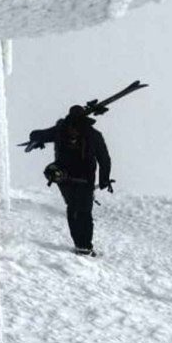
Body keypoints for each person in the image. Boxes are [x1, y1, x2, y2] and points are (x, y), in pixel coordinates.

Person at [23, 105, 113, 256]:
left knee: (73, 208)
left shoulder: (61, 129)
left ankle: (81, 244)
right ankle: (84, 246)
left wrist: (36, 139)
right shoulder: (93, 134)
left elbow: (38, 134)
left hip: (65, 177)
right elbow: (104, 159)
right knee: (83, 211)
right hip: (82, 178)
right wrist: (104, 179)